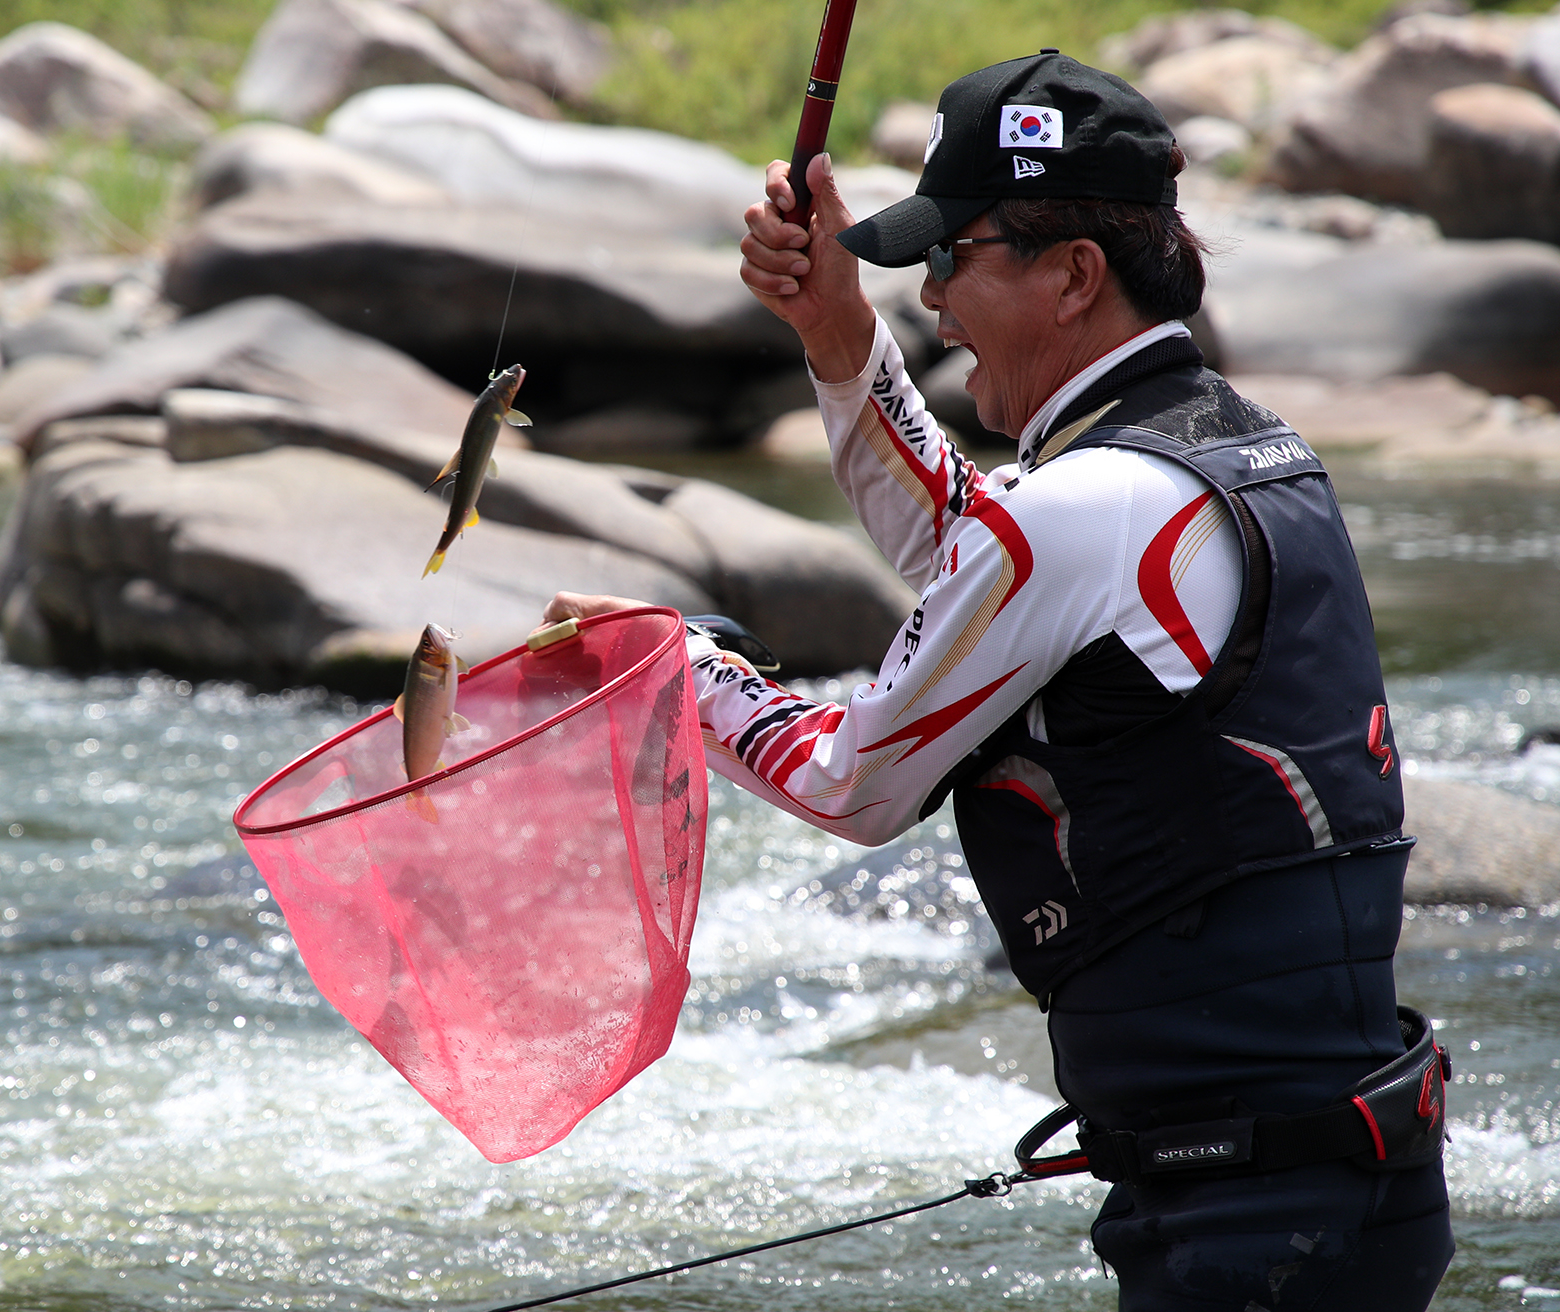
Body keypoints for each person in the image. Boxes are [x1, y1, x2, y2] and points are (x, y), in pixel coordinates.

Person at [544, 50, 1453, 1312]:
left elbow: (851, 779)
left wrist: (678, 668)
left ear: (1073, 274)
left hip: (1258, 1221)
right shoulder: (1230, 447)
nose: (929, 299)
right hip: (1318, 1188)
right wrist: (836, 337)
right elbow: (980, 554)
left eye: (951, 258)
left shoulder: (1087, 505)